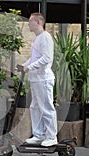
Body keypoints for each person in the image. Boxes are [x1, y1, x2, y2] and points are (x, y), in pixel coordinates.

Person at [22, 12, 58, 147]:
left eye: (30, 21)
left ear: (38, 22)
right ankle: (38, 135)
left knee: (46, 107)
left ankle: (51, 137)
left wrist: (30, 67)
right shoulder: (37, 39)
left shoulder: (45, 37)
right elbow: (34, 58)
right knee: (35, 107)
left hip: (43, 79)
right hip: (35, 79)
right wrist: (25, 65)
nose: (28, 24)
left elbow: (46, 58)